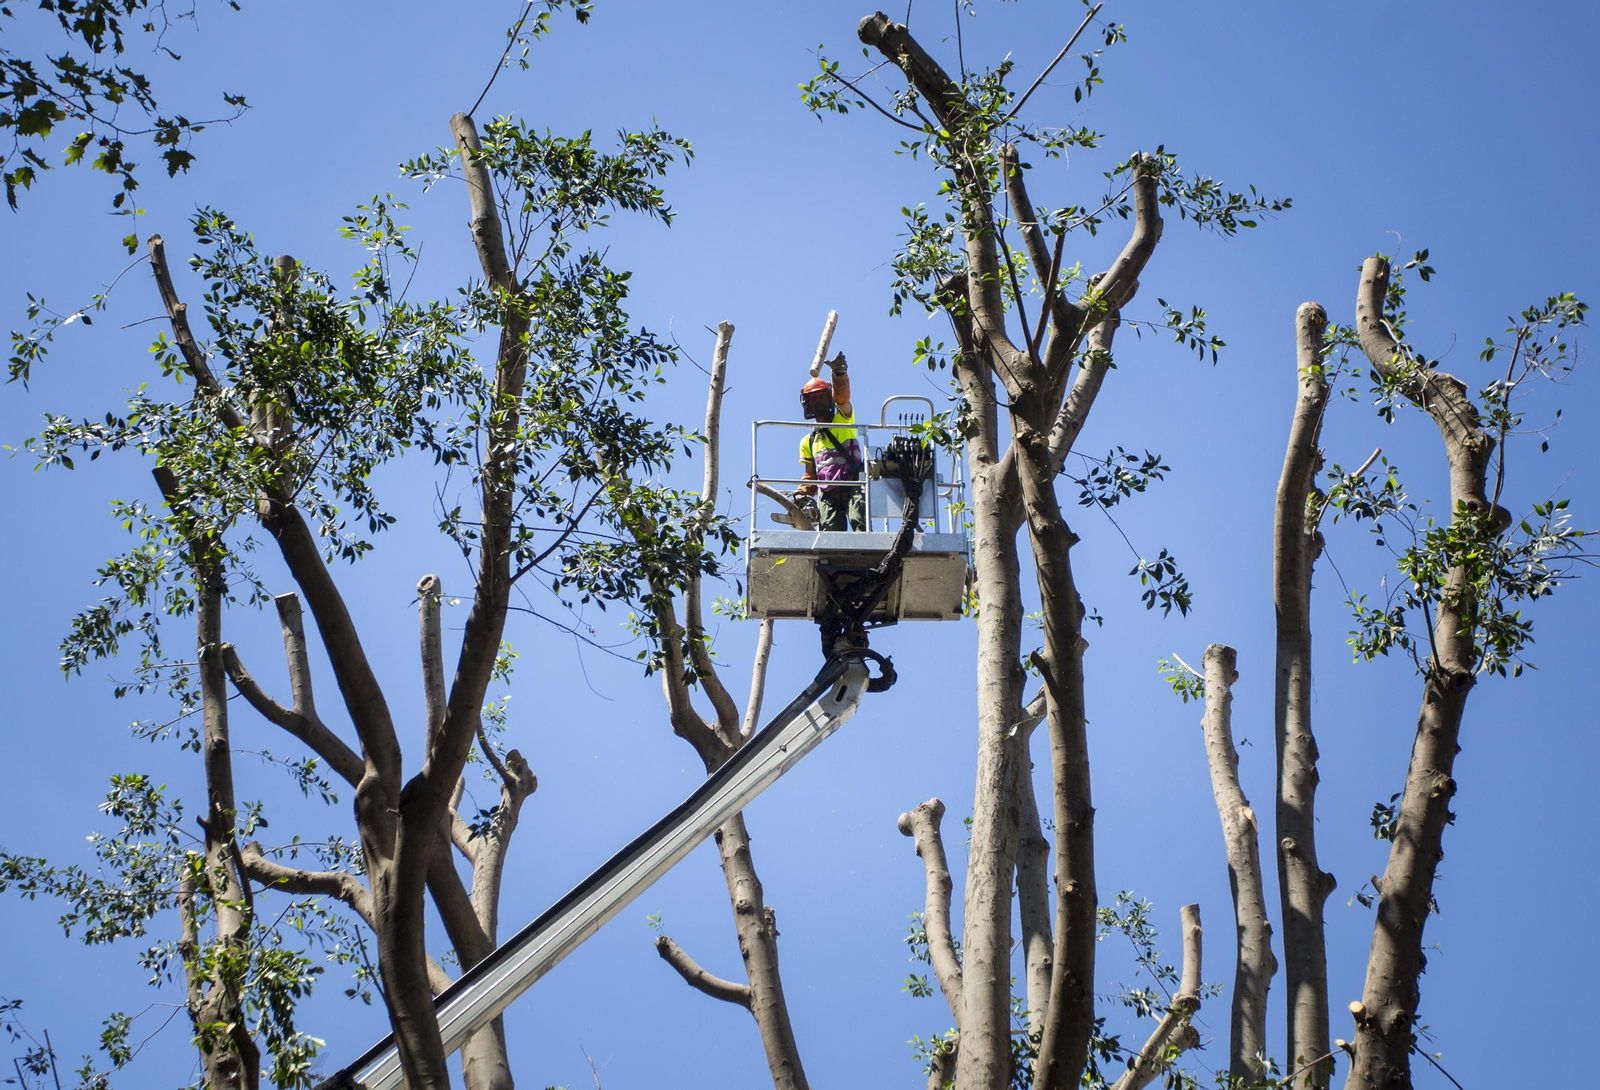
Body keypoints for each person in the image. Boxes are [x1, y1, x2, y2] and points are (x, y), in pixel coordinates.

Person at [798, 352, 865, 531]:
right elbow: (811, 477)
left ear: (829, 398)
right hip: (828, 494)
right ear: (807, 404)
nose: (818, 401)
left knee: (860, 529)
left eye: (821, 396)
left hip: (853, 485)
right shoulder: (808, 441)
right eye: (814, 398)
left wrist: (838, 374)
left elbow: (842, 398)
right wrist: (801, 494)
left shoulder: (842, 419)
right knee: (830, 539)